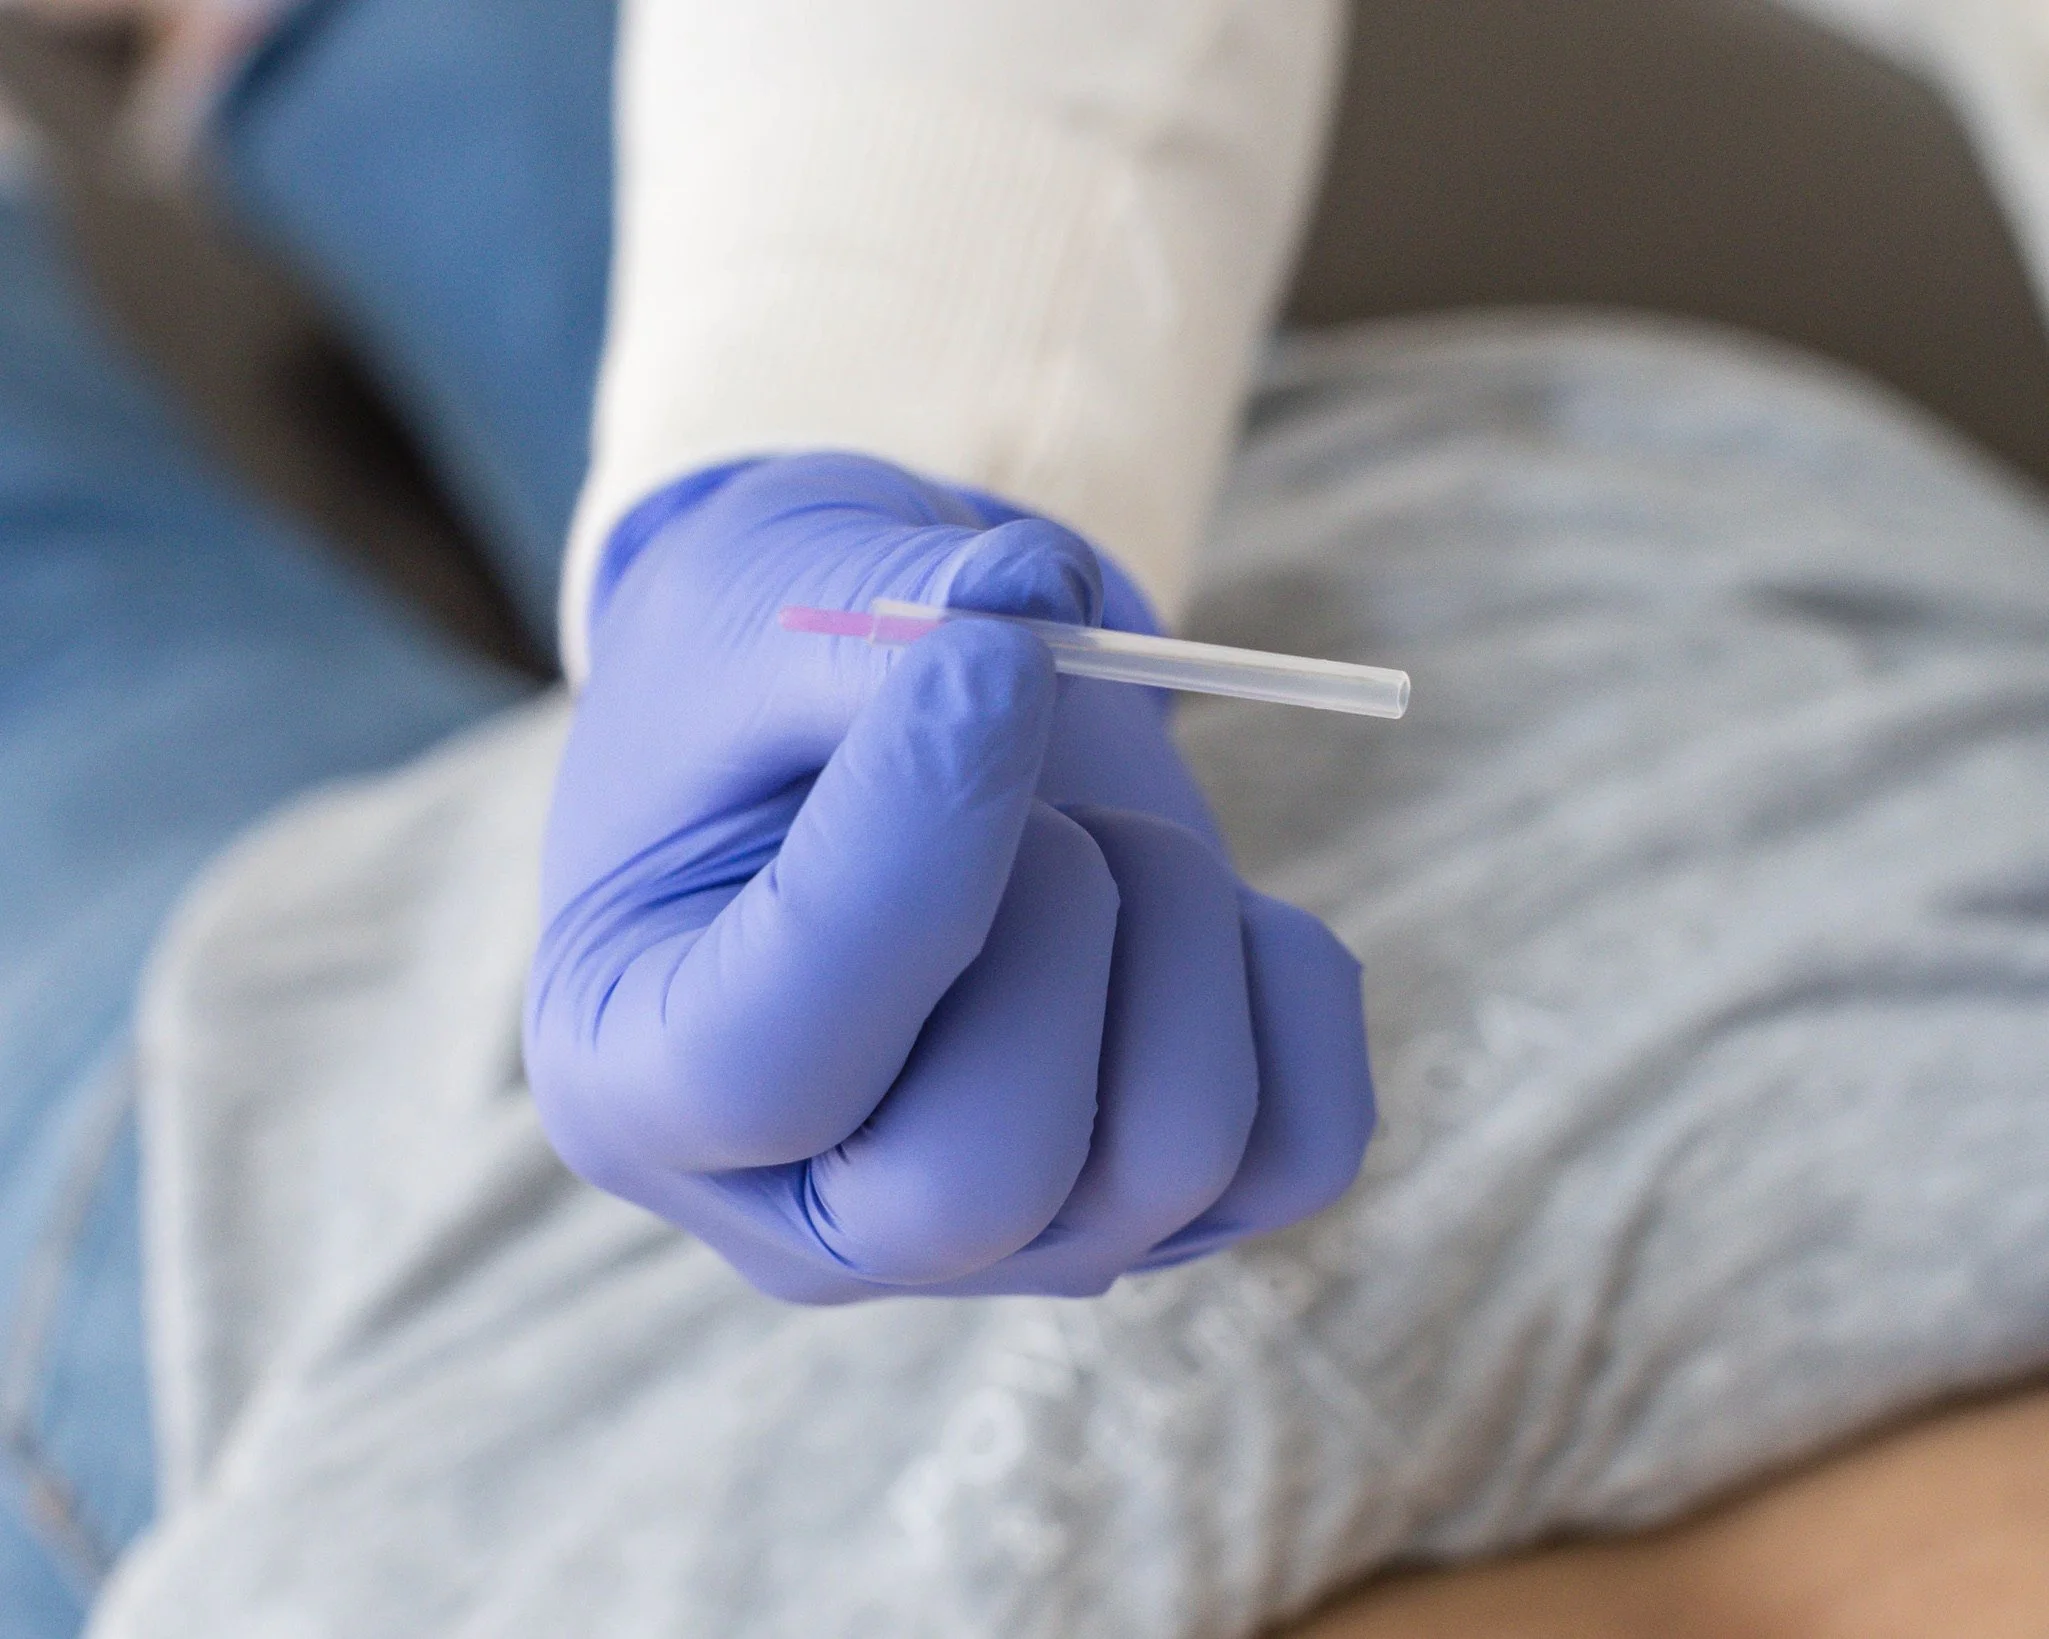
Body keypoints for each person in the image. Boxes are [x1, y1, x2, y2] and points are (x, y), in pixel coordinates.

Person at [1, 2, 2047, 1635]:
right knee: (607, 136)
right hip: (1668, 654)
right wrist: (826, 473)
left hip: (427, 1252)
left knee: (61, 631)